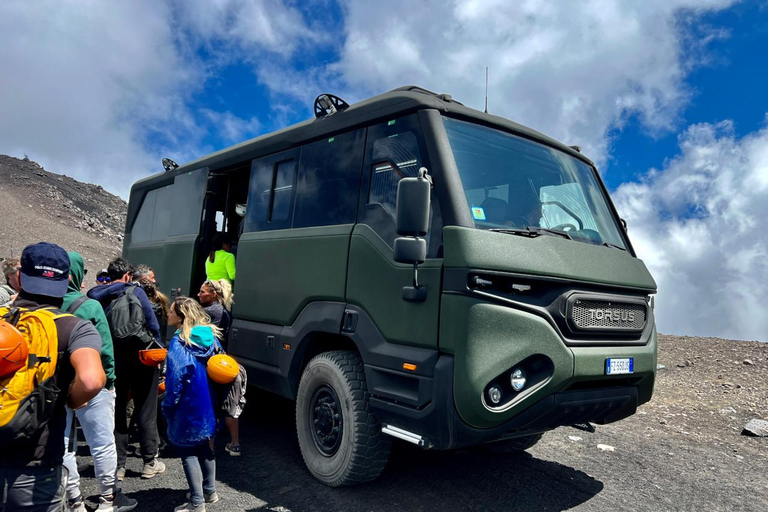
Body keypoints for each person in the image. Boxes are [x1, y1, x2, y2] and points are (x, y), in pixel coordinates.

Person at [0, 242, 105, 512]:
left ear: (20, 277)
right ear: (68, 280)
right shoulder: (74, 327)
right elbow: (92, 380)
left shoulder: (2, 319)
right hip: (35, 464)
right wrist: (71, 399)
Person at [61, 251, 137, 512]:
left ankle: (74, 501)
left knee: (64, 447)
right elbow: (105, 350)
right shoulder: (89, 306)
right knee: (102, 443)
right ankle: (108, 500)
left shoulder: (45, 305)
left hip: (57, 387)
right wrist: (110, 382)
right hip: (93, 385)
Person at [87, 258, 165, 481]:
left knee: (118, 411)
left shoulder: (97, 296)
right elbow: (152, 324)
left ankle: (118, 467)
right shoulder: (136, 291)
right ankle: (149, 462)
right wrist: (157, 350)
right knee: (146, 410)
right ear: (128, 276)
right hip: (141, 360)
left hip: (114, 361)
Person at [162, 297, 220, 512]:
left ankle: (197, 502)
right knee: (205, 446)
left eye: (171, 312)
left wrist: (168, 405)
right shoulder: (211, 337)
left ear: (181, 317)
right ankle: (210, 491)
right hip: (209, 400)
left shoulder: (179, 342)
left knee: (188, 450)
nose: (168, 314)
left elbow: (176, 379)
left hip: (188, 402)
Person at [197, 279, 245, 456]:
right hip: (223, 361)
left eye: (202, 292)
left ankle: (209, 447)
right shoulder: (223, 310)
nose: (199, 295)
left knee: (210, 403)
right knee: (229, 404)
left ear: (213, 294)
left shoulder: (208, 311)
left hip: (210, 362)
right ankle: (234, 444)